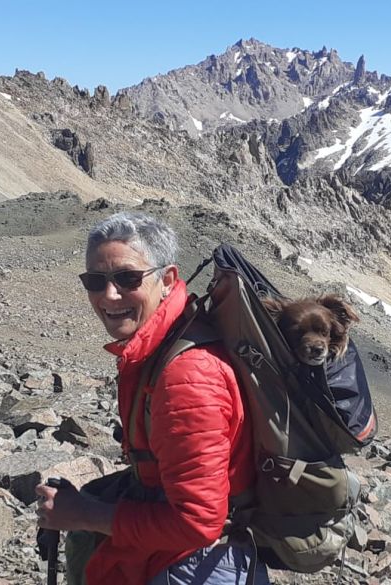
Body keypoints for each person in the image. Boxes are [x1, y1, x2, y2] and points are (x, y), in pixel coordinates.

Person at [35, 211, 269, 585]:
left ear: (168, 279)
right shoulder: (160, 346)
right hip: (184, 560)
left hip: (199, 568)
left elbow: (197, 523)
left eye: (127, 278)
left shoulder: (186, 376)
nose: (109, 295)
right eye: (95, 281)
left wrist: (83, 515)